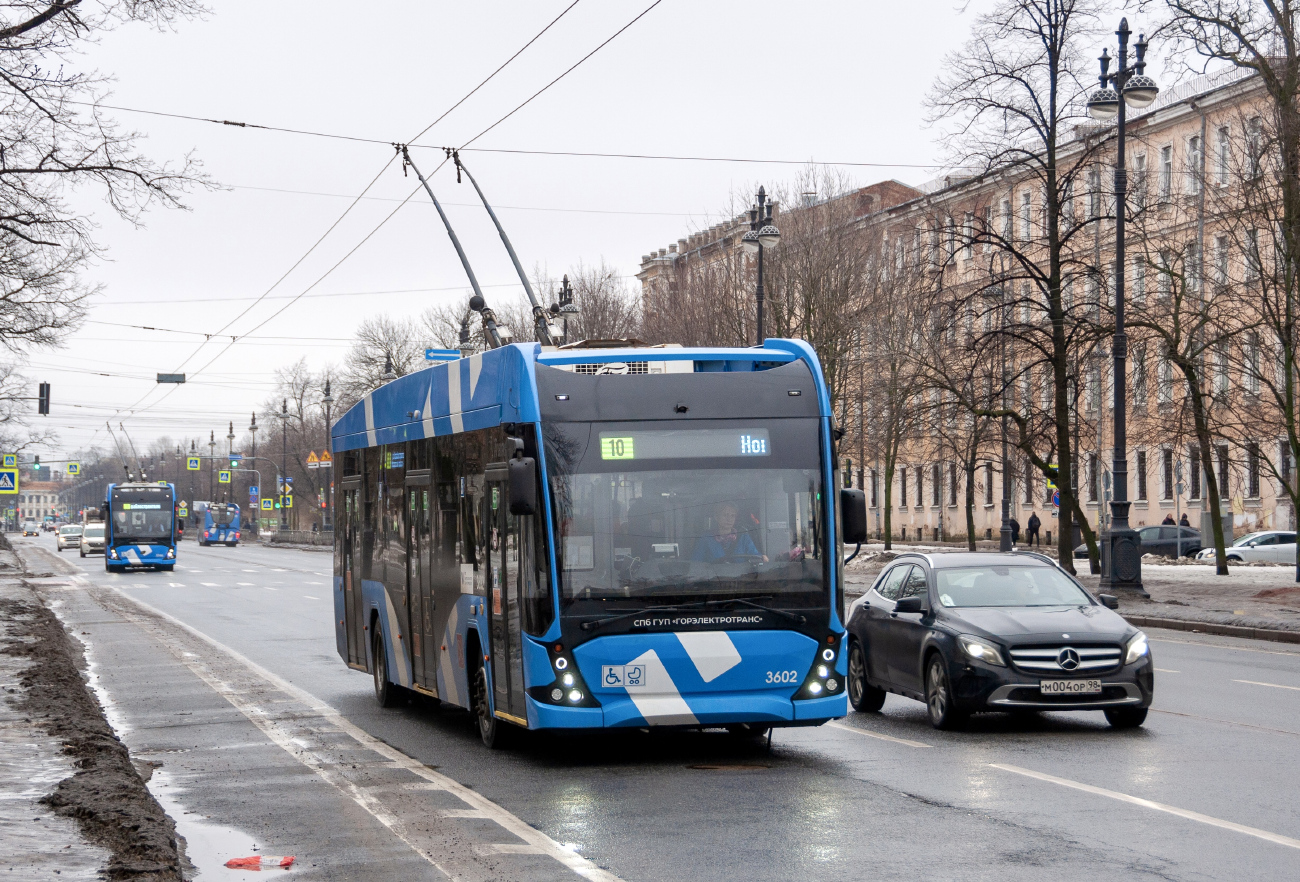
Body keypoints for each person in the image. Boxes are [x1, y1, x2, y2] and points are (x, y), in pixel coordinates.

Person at [692, 501, 767, 562]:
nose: (729, 519)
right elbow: (696, 564)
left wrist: (762, 557)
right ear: (717, 517)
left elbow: (755, 555)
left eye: (732, 516)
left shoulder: (743, 536)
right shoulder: (706, 538)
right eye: (725, 515)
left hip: (740, 579)